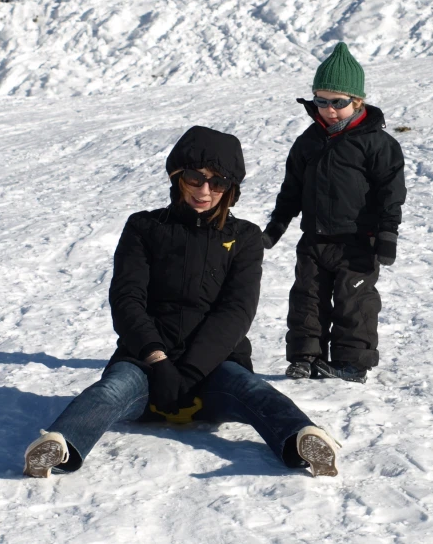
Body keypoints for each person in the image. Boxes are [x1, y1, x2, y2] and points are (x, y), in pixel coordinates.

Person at [23, 126, 339, 479]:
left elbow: (236, 310)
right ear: (177, 177)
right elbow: (127, 299)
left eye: (217, 182)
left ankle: (301, 440)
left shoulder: (245, 237)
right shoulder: (144, 228)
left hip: (215, 365)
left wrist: (190, 371)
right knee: (109, 391)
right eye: (195, 178)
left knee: (254, 391)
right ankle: (61, 445)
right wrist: (158, 362)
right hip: (145, 363)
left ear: (231, 189)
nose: (205, 191)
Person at [261, 42, 407, 384]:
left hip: (357, 242)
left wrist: (387, 233)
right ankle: (305, 357)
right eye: (321, 101)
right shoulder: (308, 142)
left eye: (338, 102)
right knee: (306, 300)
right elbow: (291, 190)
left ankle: (351, 364)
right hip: (313, 239)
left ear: (357, 101)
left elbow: (391, 193)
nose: (329, 110)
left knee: (354, 303)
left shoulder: (377, 144)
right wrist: (276, 226)